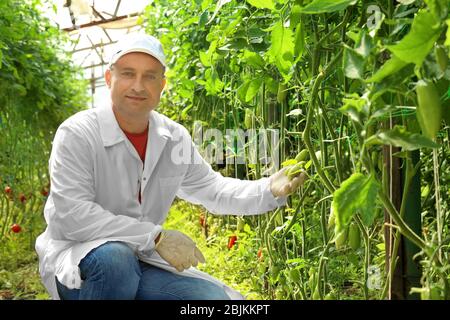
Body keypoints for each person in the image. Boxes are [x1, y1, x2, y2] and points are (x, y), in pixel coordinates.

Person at [35, 33, 306, 300]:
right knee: (114, 261)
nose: (138, 86)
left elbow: (211, 188)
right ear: (109, 78)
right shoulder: (78, 133)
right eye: (128, 74)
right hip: (82, 261)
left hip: (141, 259)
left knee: (211, 299)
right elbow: (72, 216)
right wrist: (155, 237)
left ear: (162, 85)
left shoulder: (173, 137)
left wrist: (268, 188)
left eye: (150, 76)